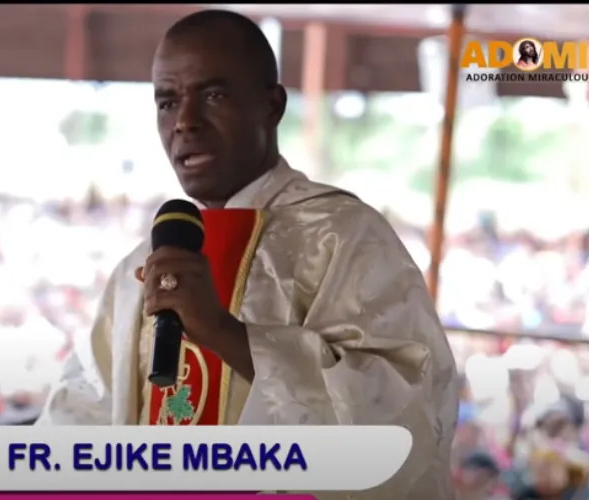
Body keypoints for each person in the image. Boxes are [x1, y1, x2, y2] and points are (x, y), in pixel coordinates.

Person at [37, 9, 458, 499]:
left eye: (212, 95)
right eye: (167, 102)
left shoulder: (342, 237)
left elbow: (402, 420)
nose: (185, 123)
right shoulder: (144, 264)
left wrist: (225, 334)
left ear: (272, 105)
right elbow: (78, 417)